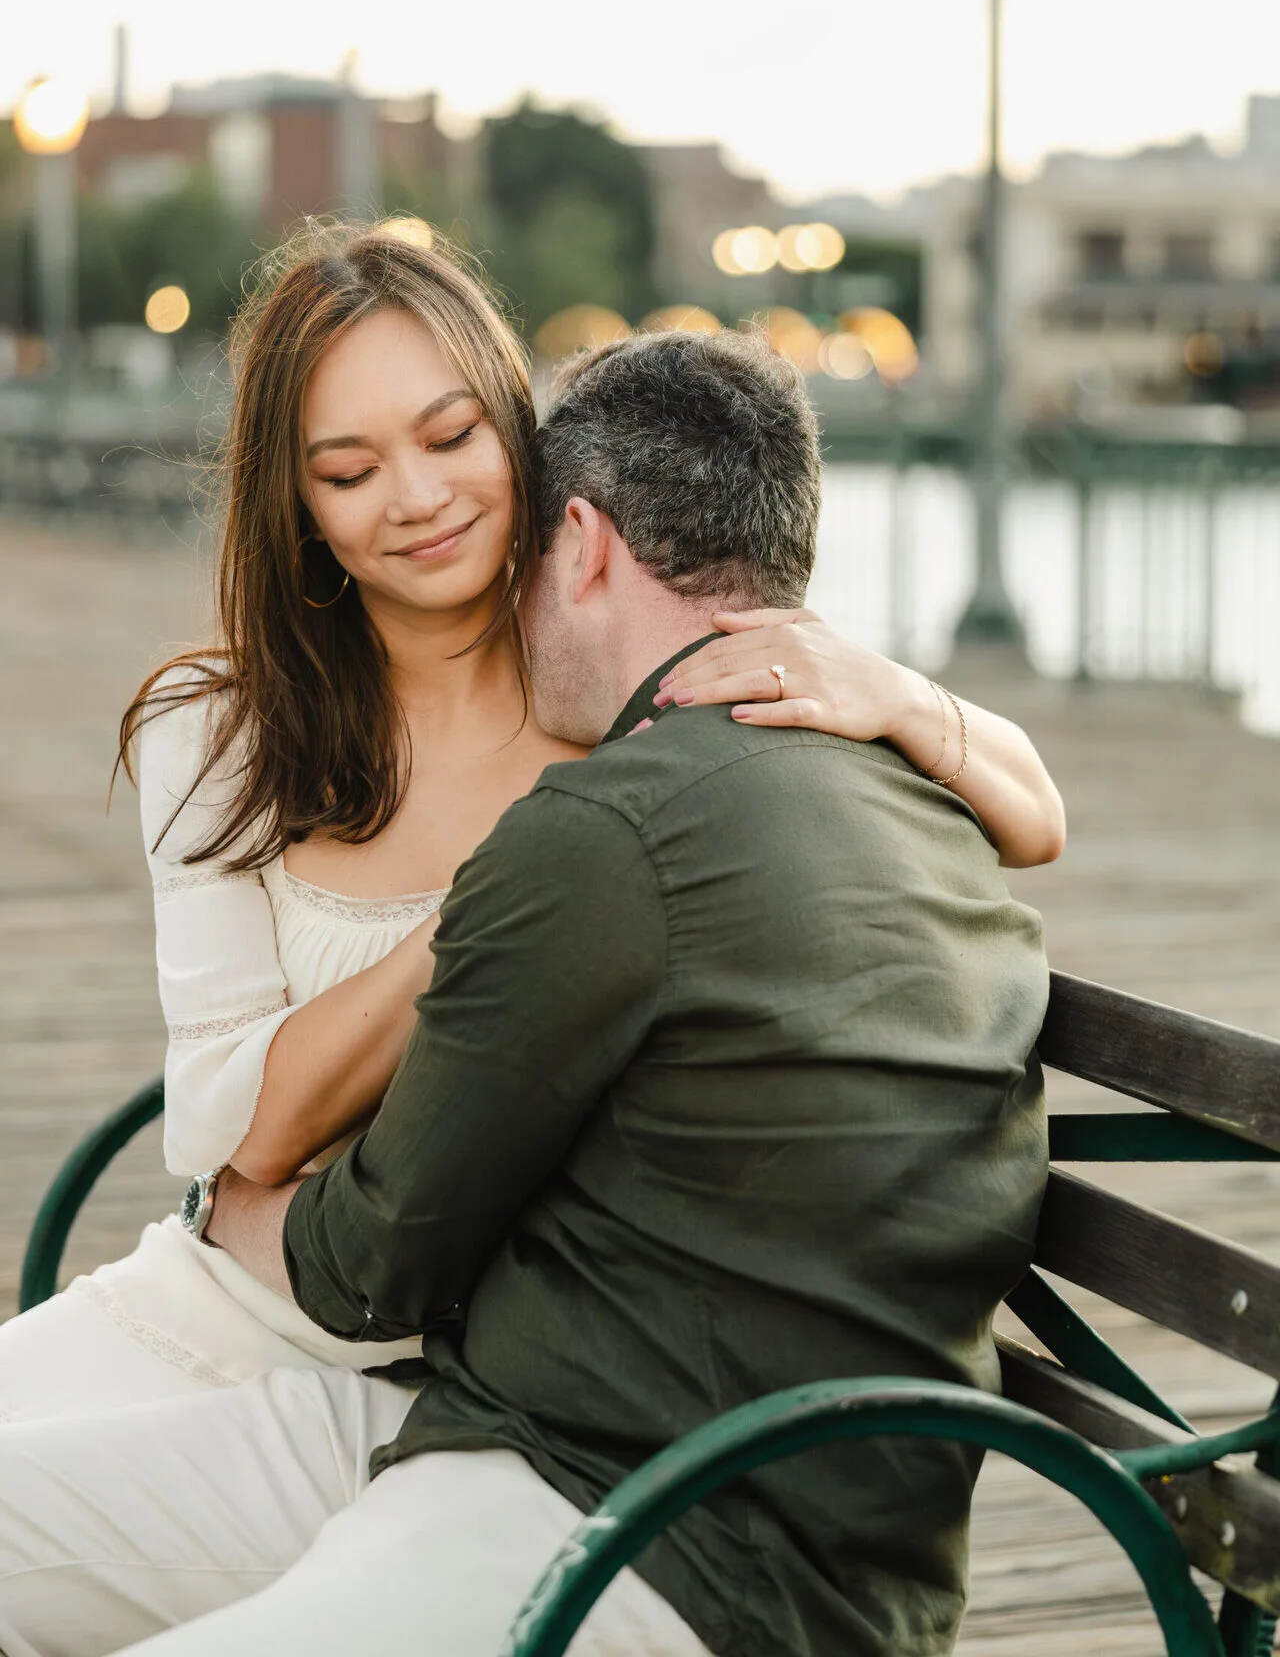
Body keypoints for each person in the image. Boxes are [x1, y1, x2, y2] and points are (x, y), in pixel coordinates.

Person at [0, 327, 1050, 1657]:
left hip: (627, 1502)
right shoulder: (888, 786)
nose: (424, 498)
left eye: (453, 442)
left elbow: (369, 1261)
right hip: (546, 1424)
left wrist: (246, 1204)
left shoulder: (620, 807)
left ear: (586, 542)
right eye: (350, 466)